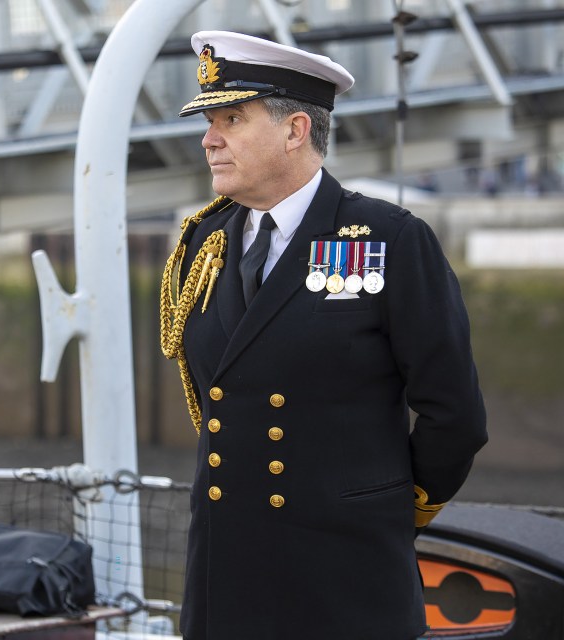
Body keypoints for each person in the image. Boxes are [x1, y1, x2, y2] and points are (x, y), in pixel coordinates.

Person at [160, 31, 487, 639]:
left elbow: (455, 414)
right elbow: (216, 406)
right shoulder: (202, 244)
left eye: (232, 118)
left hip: (345, 575)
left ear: (295, 131)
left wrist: (381, 508)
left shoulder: (388, 239)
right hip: (225, 575)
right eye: (209, 121)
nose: (210, 139)